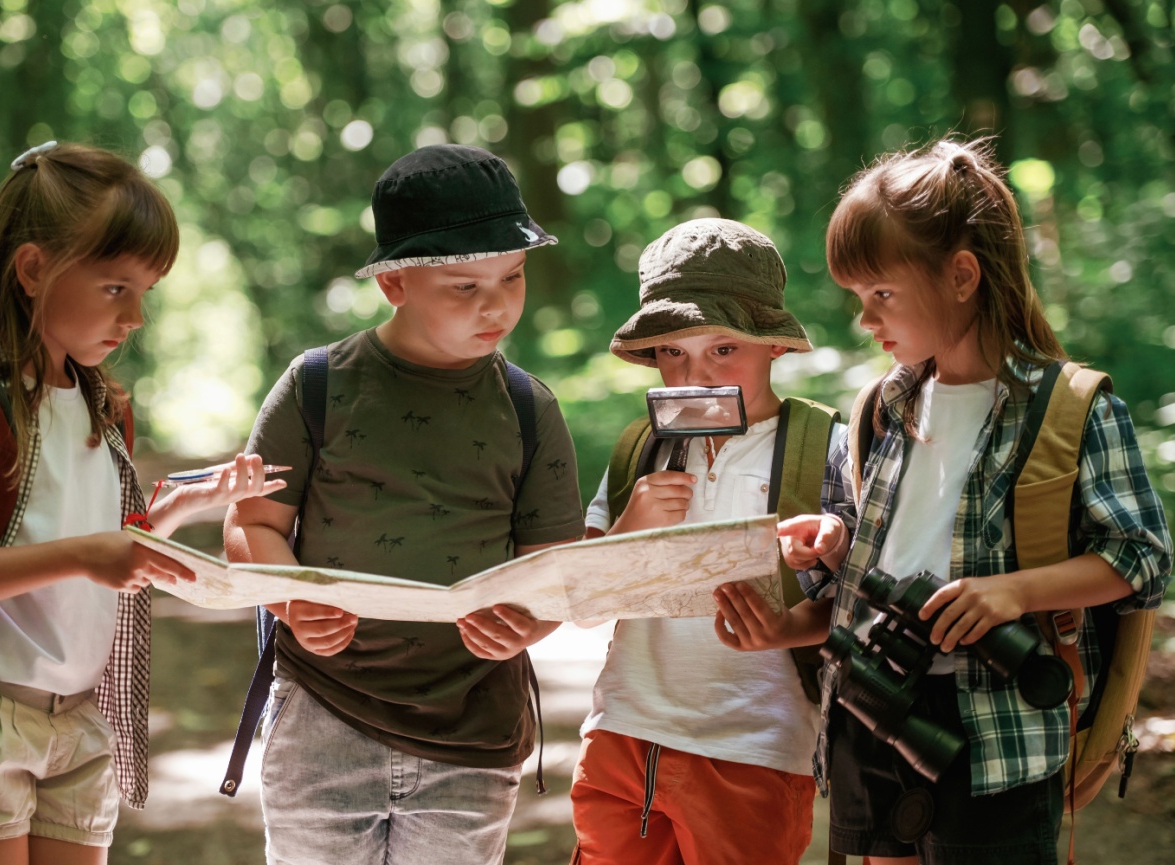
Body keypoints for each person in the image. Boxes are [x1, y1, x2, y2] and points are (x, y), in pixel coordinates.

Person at [0, 141, 285, 865]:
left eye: (145, 293)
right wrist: (92, 555)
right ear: (33, 269)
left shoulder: (101, 405)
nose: (135, 318)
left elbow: (104, 546)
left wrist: (178, 511)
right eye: (114, 288)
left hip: (81, 717)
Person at [772, 138, 1172, 864]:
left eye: (882, 294)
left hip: (997, 729)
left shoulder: (1068, 408)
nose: (866, 319)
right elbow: (866, 557)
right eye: (856, 299)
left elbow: (1142, 556)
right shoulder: (876, 411)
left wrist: (1013, 593)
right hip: (868, 708)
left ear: (961, 275)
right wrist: (833, 543)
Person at [223, 144, 585, 865]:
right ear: (394, 283)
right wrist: (293, 599)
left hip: (473, 728)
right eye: (463, 285)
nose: (497, 304)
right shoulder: (316, 385)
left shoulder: (528, 408)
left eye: (511, 278)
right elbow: (251, 522)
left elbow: (554, 565)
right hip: (324, 714)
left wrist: (527, 625)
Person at [570, 218, 836, 865]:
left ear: (773, 344)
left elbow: (862, 608)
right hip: (622, 732)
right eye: (672, 353)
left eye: (723, 349)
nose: (696, 374)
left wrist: (792, 612)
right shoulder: (642, 448)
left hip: (754, 744)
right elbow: (581, 601)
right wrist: (631, 524)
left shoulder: (825, 446)